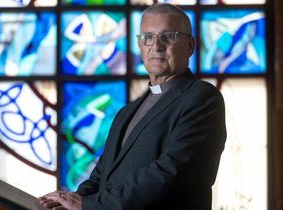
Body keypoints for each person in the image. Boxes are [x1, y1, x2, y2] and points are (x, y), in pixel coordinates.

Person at [39, 3, 226, 210]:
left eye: (167, 36)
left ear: (190, 45)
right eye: (147, 37)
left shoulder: (202, 98)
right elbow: (101, 175)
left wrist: (87, 205)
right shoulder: (126, 112)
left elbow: (170, 172)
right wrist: (68, 199)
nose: (156, 46)